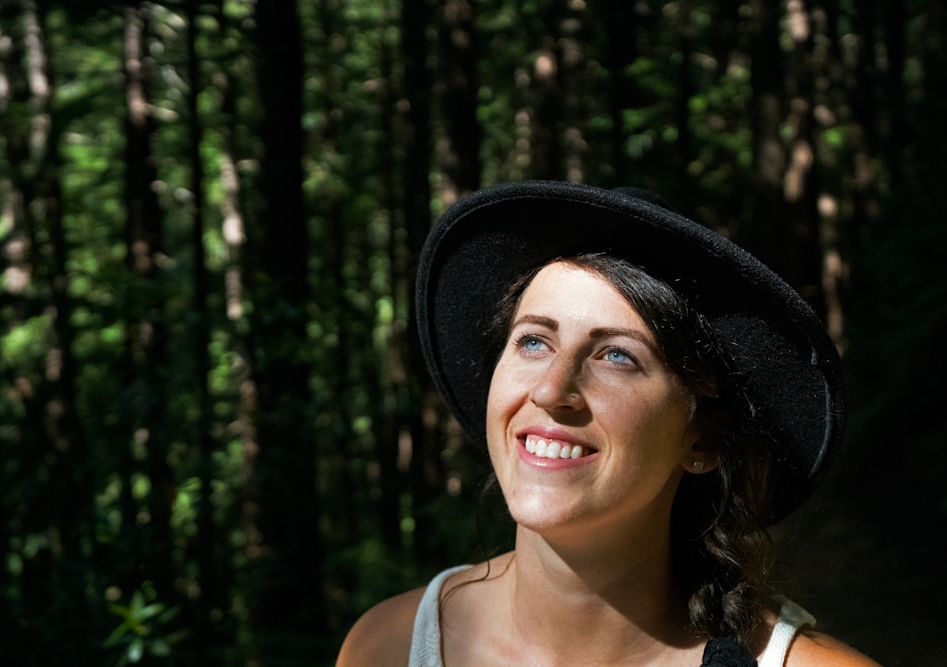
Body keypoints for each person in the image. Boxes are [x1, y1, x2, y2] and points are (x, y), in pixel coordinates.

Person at [337, 181, 879, 666]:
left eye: (617, 356)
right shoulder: (387, 648)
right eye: (532, 341)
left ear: (705, 438)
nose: (551, 390)